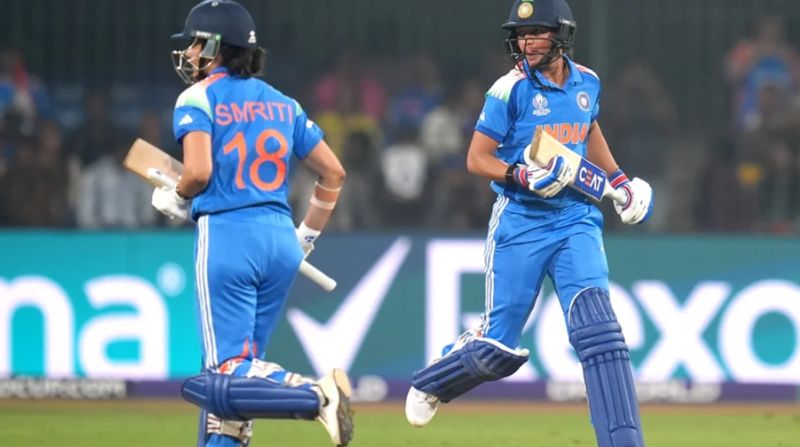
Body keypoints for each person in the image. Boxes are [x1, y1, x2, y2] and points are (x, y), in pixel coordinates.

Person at [404, 1, 653, 447]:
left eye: (536, 33)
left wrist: (618, 180)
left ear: (562, 35)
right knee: (496, 351)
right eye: (521, 35)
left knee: (600, 332)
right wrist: (520, 175)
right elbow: (476, 158)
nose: (526, 42)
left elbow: (588, 128)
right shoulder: (509, 89)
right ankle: (435, 379)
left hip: (576, 218)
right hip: (521, 222)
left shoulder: (588, 82)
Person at [150, 2, 353, 446]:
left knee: (223, 373)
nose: (189, 54)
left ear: (216, 47)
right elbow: (333, 173)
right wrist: (305, 238)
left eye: (195, 44)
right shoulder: (284, 104)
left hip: (228, 237)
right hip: (280, 239)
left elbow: (198, 172)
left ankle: (315, 395)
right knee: (242, 379)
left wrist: (177, 196)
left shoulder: (197, 97)